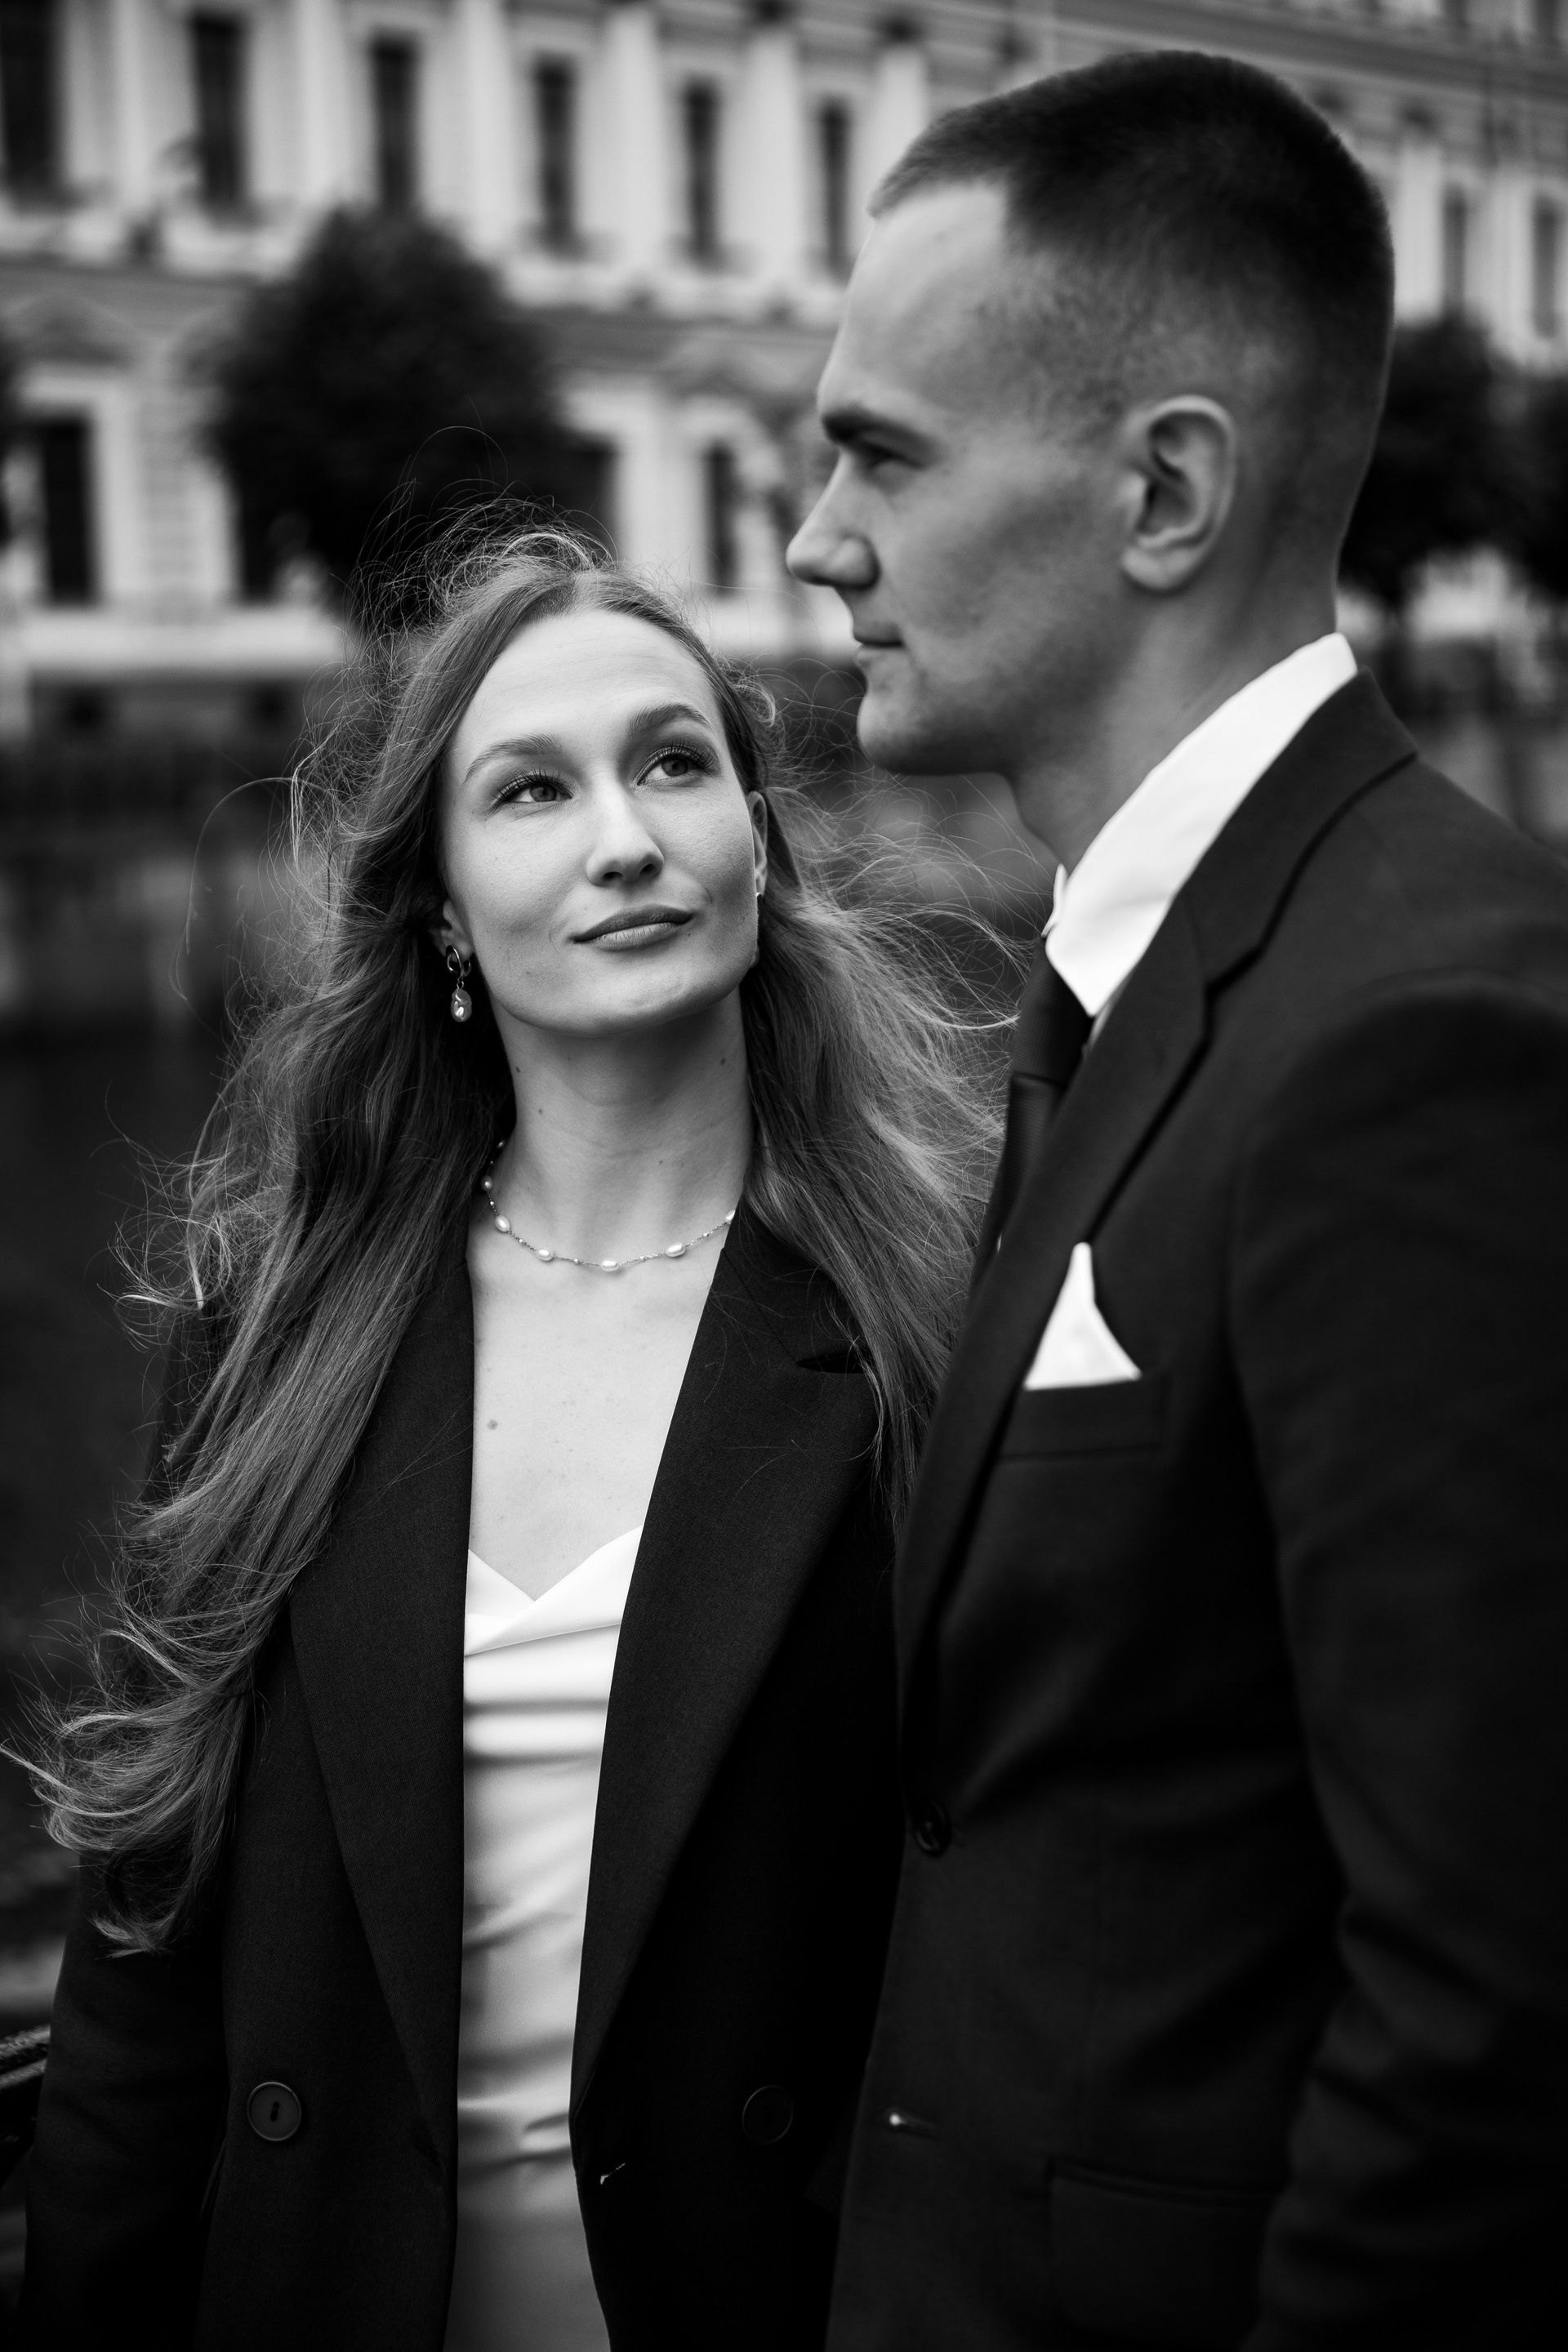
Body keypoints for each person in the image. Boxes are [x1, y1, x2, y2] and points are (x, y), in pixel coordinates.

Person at [786, 51, 1568, 2352]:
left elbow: (1495, 2011)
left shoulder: (1427, 1033)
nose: (818, 538)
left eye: (884, 455)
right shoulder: (1150, 975)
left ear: (1165, 493)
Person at [19, 536, 996, 2350]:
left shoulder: (930, 1316)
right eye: (532, 790)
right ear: (446, 912)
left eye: (675, 763)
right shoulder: (280, 1332)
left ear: (758, 845)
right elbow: (146, 1947)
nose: (624, 838)